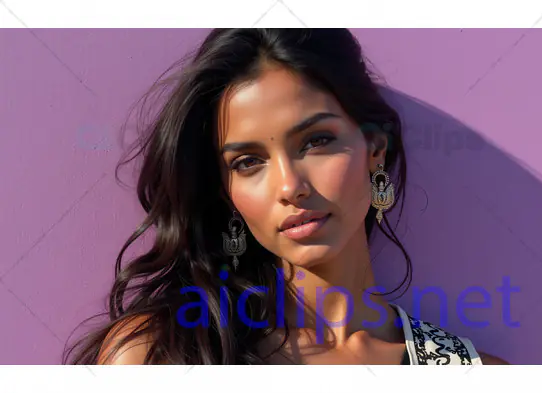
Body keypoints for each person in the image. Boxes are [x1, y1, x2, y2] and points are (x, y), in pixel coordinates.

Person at [63, 28, 508, 366]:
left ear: (374, 150)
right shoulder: (161, 355)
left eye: (315, 142)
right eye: (248, 162)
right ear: (227, 194)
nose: (289, 186)